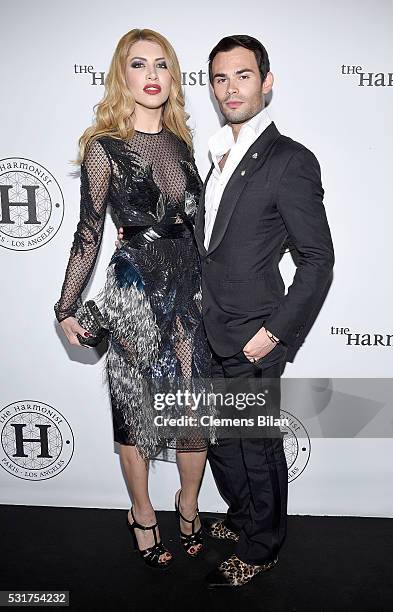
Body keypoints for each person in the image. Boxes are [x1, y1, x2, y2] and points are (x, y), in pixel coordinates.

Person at [117, 34, 335, 587]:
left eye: (243, 75)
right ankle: (243, 519)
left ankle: (262, 549)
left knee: (255, 448)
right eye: (220, 78)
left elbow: (316, 260)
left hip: (253, 332)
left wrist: (277, 332)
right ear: (211, 88)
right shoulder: (212, 155)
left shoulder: (290, 161)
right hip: (203, 326)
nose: (230, 88)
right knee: (223, 445)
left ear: (266, 82)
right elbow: (200, 237)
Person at [54, 28, 216, 569]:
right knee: (135, 410)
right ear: (123, 76)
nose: (152, 76)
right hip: (135, 292)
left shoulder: (184, 145)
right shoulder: (105, 149)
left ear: (174, 77)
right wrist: (66, 306)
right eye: (139, 64)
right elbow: (87, 234)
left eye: (162, 65)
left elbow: (198, 225)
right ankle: (142, 512)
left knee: (193, 409)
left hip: (188, 287)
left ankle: (188, 504)